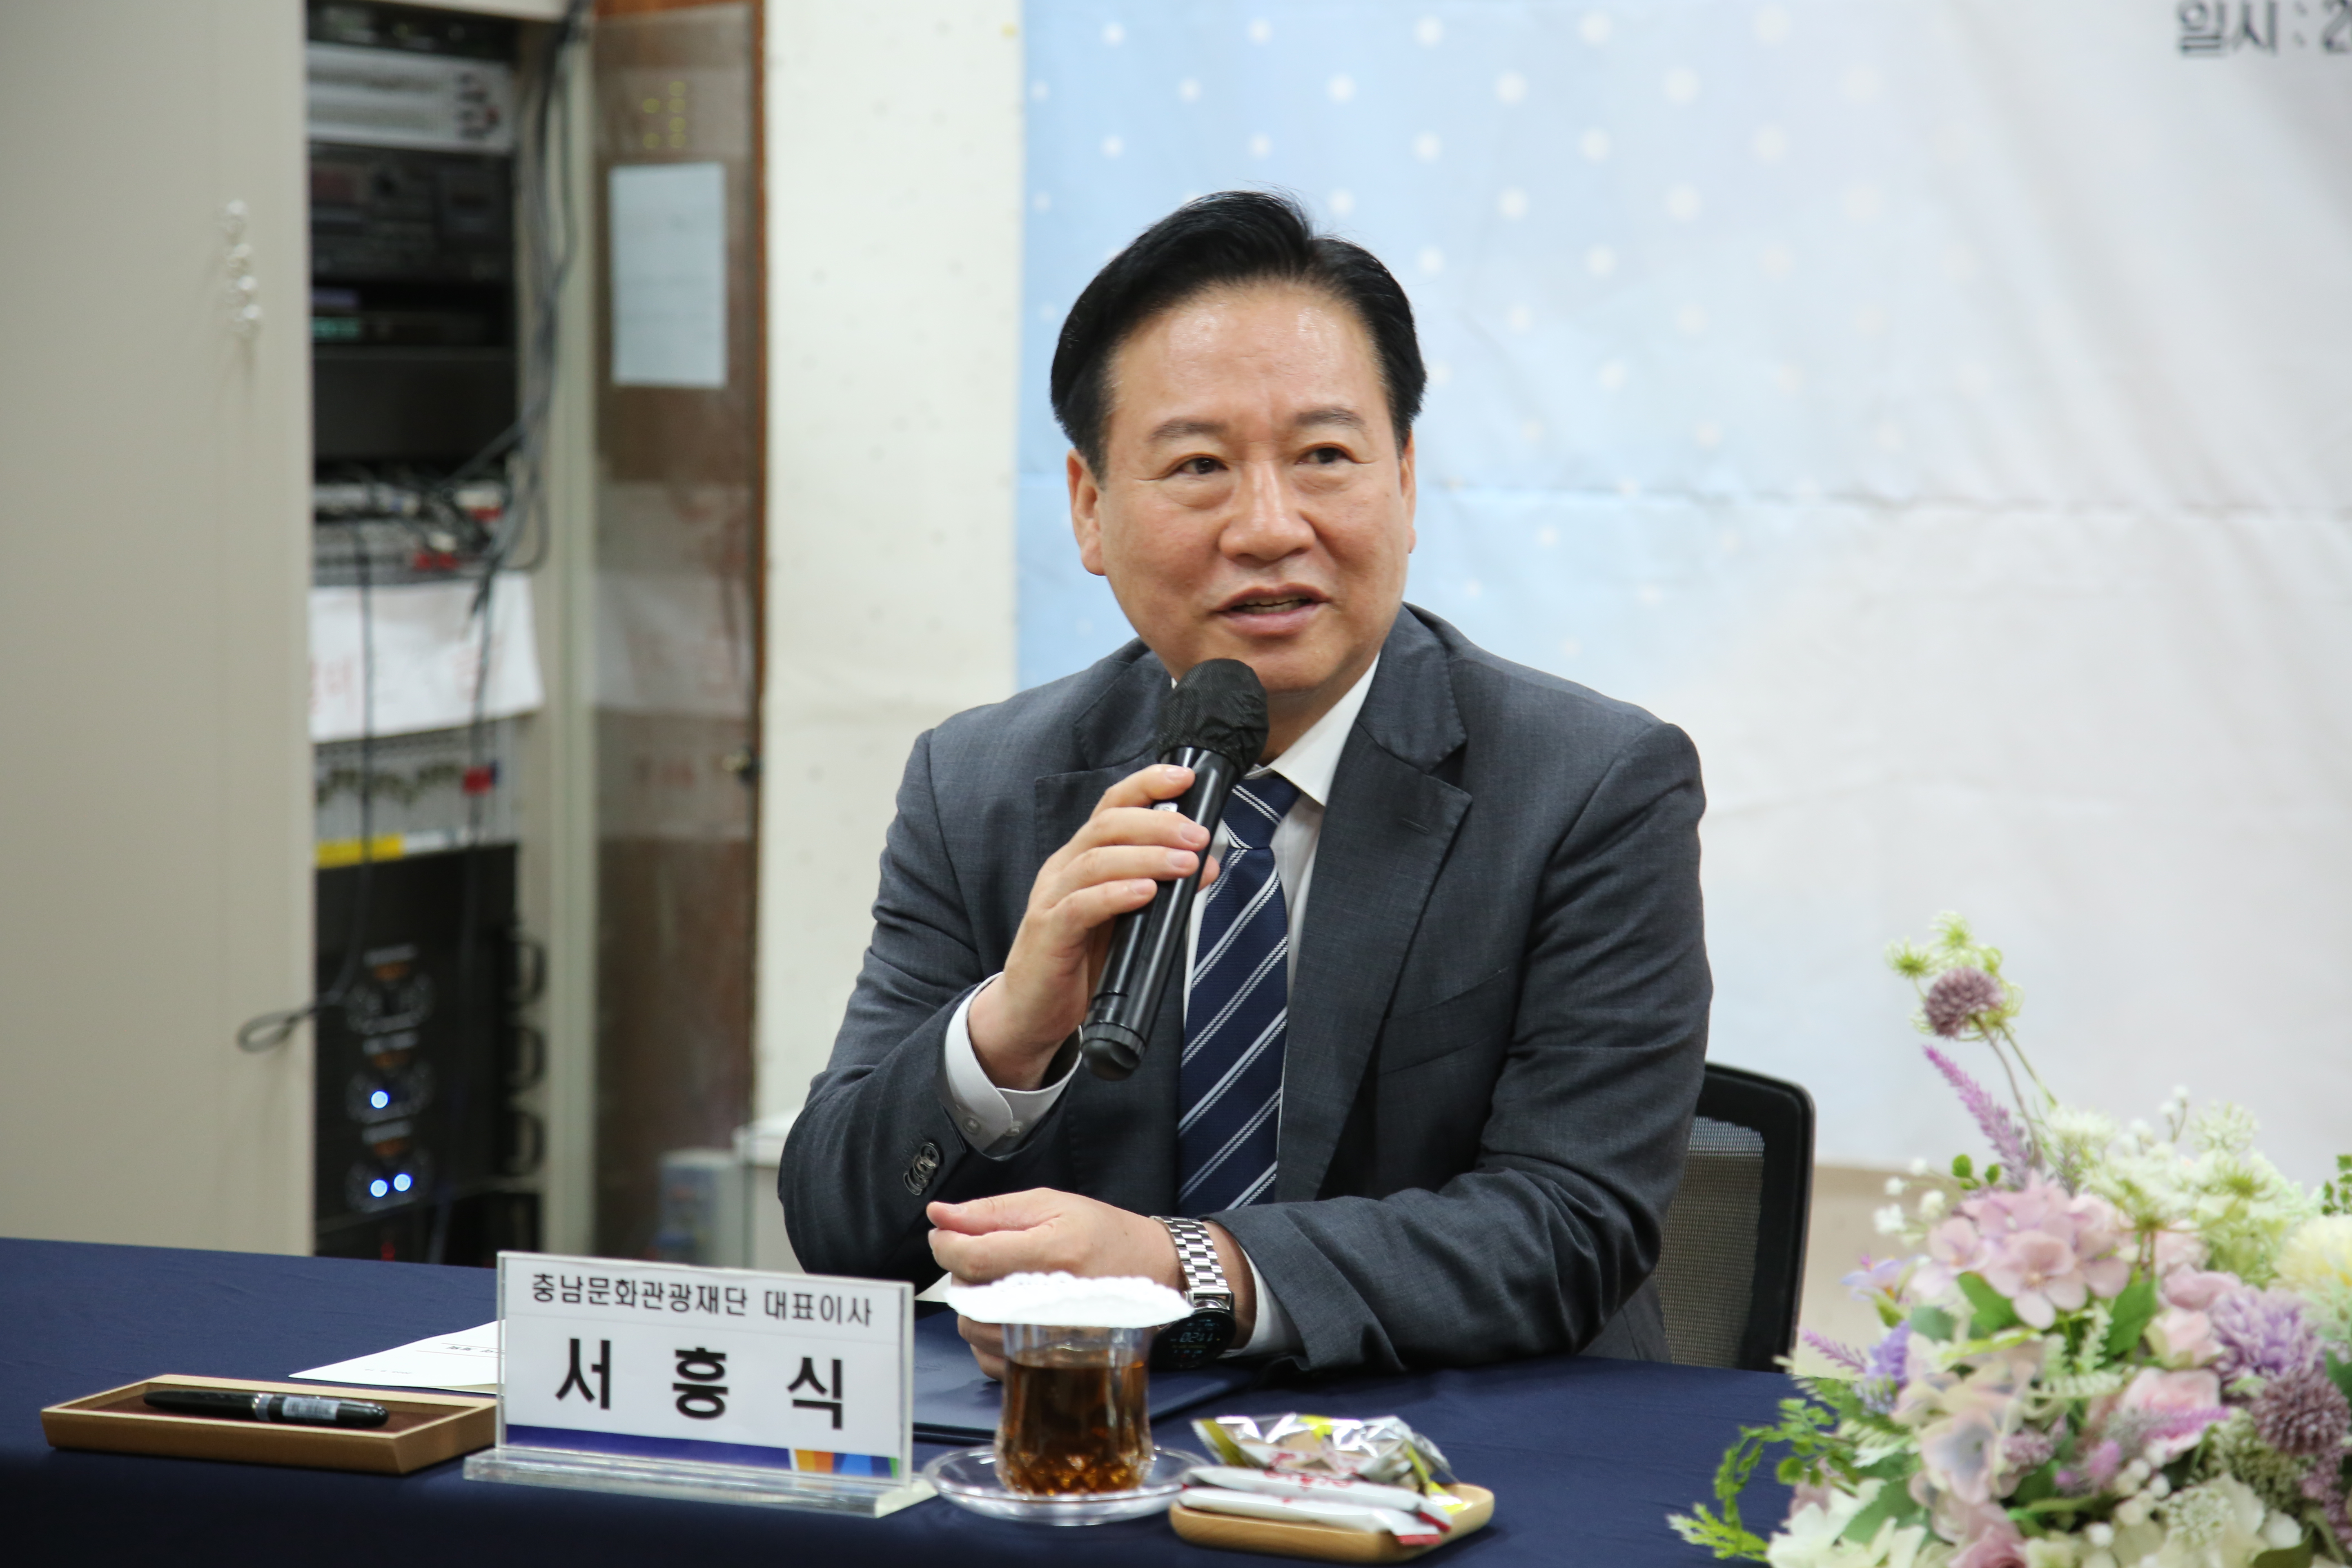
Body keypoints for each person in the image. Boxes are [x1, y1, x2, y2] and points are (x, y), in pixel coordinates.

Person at [780, 191, 1709, 1377]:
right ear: (1090, 510)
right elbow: (838, 1231)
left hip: (1467, 1448)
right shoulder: (981, 785)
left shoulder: (1591, 786)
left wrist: (1180, 1267)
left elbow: (1572, 1228)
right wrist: (1007, 1032)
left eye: (1325, 457)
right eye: (1200, 466)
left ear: (1405, 480)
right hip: (1084, 1445)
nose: (1270, 527)